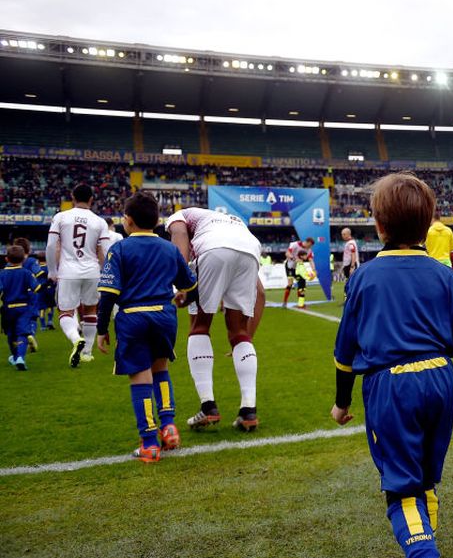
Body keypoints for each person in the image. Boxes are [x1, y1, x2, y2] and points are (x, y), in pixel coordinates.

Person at [332, 173, 453, 558]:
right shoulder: (444, 273)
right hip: (440, 378)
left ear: (378, 225)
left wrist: (341, 403)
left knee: (401, 488)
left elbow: (345, 353)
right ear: (428, 225)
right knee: (425, 481)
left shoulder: (365, 277)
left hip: (391, 384)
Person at [97, 193, 198, 463]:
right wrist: (180, 297)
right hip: (164, 316)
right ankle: (169, 426)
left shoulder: (119, 250)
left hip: (133, 317)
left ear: (127, 221)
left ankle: (150, 444)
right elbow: (189, 284)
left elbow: (108, 293)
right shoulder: (169, 249)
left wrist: (101, 328)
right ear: (157, 221)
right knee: (161, 369)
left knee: (140, 377)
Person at [166, 207, 264, 432]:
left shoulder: (180, 215)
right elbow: (261, 294)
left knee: (200, 325)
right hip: (251, 249)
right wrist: (247, 337)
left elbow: (179, 235)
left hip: (212, 249)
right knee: (238, 332)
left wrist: (180, 282)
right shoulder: (231, 222)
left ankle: (208, 407)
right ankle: (249, 411)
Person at [46, 183, 110, 367]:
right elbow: (106, 251)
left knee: (66, 311)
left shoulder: (61, 217)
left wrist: (52, 270)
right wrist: (105, 272)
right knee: (91, 310)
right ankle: (87, 353)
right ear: (92, 199)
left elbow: (51, 246)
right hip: (92, 271)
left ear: (72, 198)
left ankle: (76, 339)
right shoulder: (99, 221)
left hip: (68, 271)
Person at [1, 245, 40, 371]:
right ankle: (20, 358)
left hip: (8, 308)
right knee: (22, 333)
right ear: (23, 259)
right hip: (23, 308)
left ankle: (14, 355)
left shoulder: (2, 273)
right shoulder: (27, 273)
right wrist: (49, 283)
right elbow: (37, 288)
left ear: (6, 259)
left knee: (11, 335)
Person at [12, 238, 44, 351]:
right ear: (29, 249)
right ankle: (30, 334)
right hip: (31, 293)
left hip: (15, 294)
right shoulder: (31, 261)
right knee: (33, 317)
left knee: (18, 318)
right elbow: (39, 273)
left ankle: (19, 338)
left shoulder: (11, 262)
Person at [282, 237, 314, 307]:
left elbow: (311, 260)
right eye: (310, 245)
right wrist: (293, 258)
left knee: (301, 283)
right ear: (308, 242)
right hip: (290, 266)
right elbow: (287, 253)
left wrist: (314, 270)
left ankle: (300, 303)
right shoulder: (294, 244)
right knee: (290, 284)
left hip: (299, 268)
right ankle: (285, 302)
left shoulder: (309, 250)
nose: (310, 246)